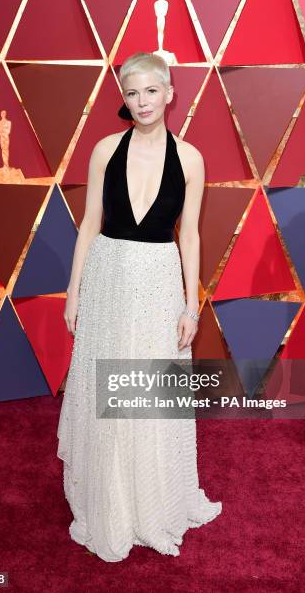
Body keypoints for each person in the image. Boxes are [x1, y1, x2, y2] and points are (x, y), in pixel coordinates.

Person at [57, 52, 222, 562]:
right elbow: (88, 224)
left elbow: (189, 235)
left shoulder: (190, 158)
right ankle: (109, 498)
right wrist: (73, 290)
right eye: (132, 93)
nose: (143, 101)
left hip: (158, 280)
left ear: (170, 94)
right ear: (124, 98)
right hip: (108, 276)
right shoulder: (105, 149)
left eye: (152, 90)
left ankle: (150, 499)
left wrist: (191, 307)